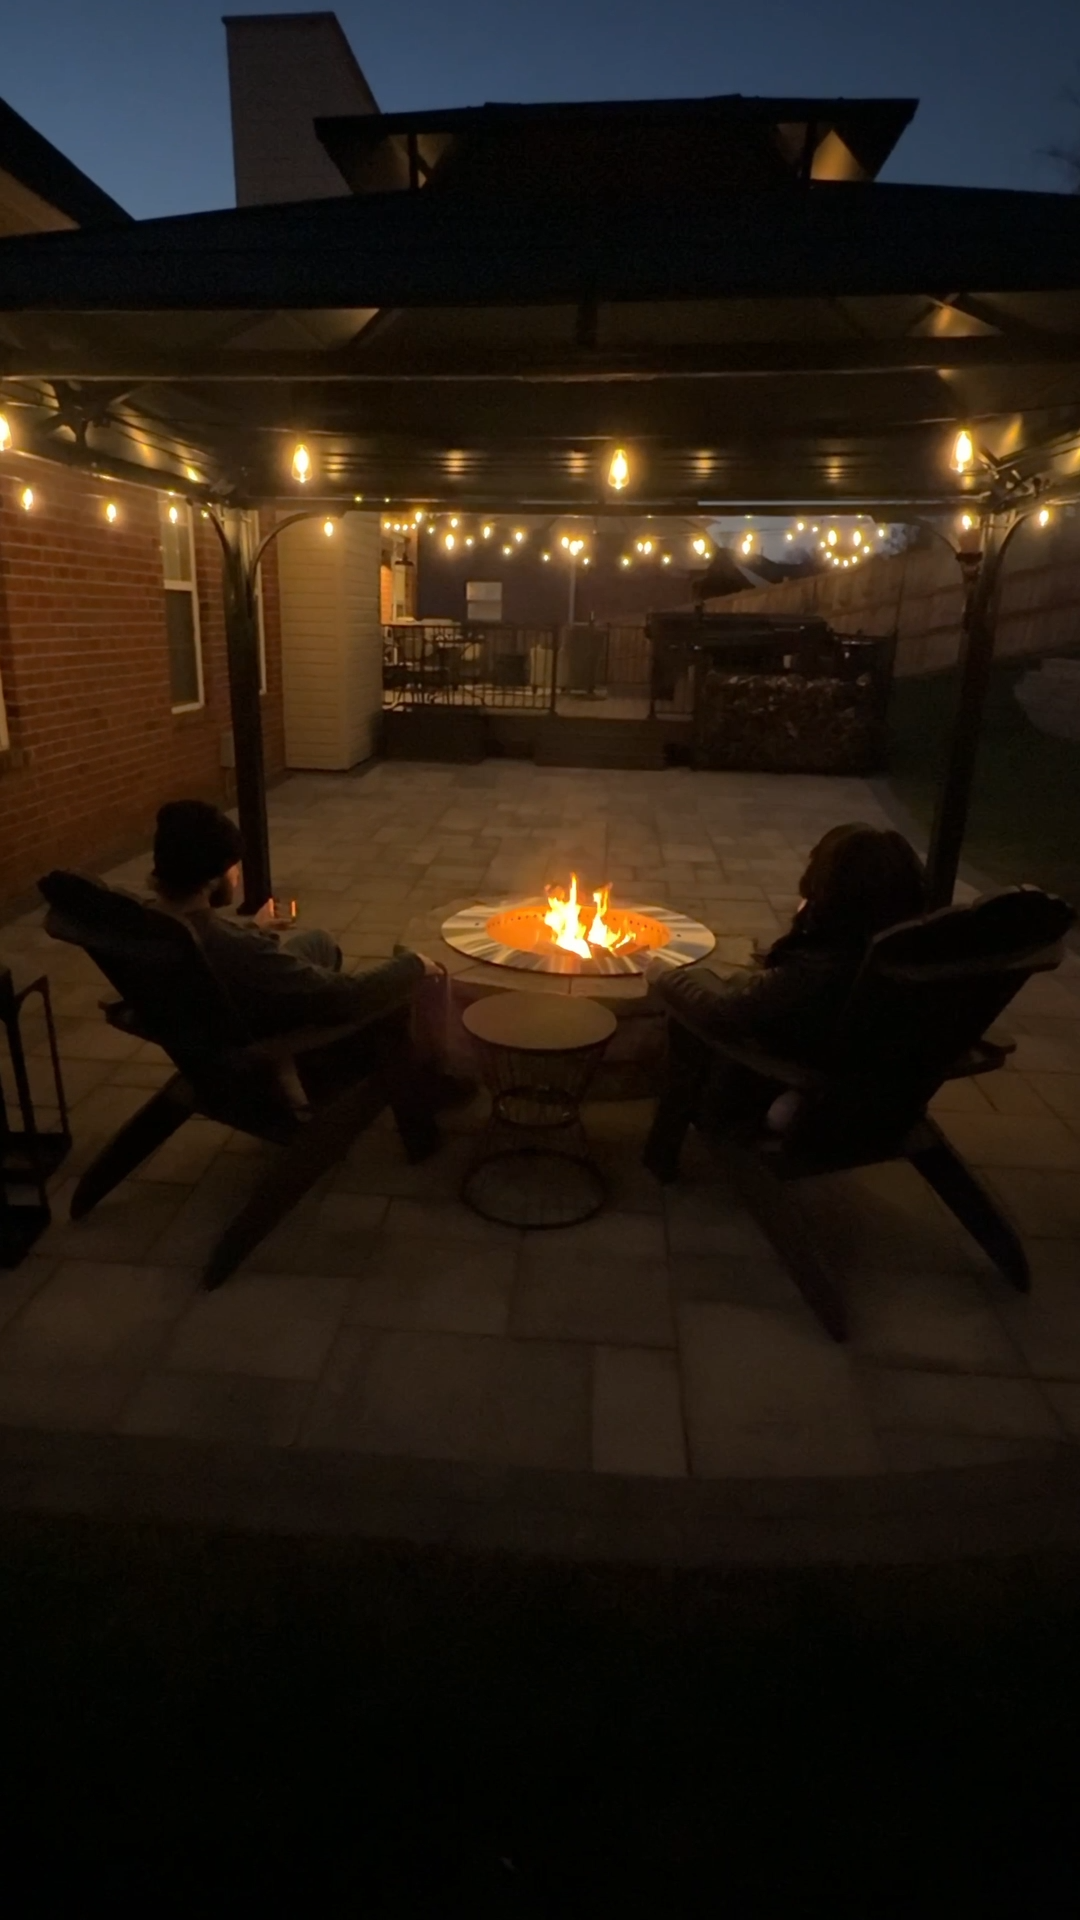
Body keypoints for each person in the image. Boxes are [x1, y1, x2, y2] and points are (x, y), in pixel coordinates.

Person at [642, 822, 927, 1174]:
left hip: (801, 1088)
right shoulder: (907, 954)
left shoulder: (824, 965)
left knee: (688, 1009)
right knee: (723, 981)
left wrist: (663, 977)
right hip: (882, 1090)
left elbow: (722, 1013)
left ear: (833, 892)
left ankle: (663, 1152)